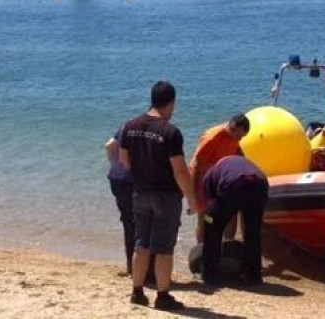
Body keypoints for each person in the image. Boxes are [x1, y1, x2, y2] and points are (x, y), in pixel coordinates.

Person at [118, 81, 198, 311]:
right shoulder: (170, 132)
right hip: (166, 196)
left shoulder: (129, 126)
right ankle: (162, 296)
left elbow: (124, 161)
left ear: (152, 99)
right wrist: (191, 199)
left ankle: (137, 291)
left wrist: (142, 174)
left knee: (141, 244)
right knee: (163, 247)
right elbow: (180, 171)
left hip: (140, 192)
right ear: (171, 102)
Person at [200, 155, 268, 285]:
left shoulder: (210, 175)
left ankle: (210, 274)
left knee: (211, 227)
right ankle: (253, 276)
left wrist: (211, 217)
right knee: (253, 232)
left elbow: (212, 205)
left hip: (234, 183)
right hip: (260, 182)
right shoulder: (234, 164)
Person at [189, 114, 250, 243]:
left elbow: (237, 151)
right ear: (233, 128)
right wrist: (195, 194)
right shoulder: (212, 137)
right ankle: (201, 251)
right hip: (203, 180)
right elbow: (196, 165)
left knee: (232, 213)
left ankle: (228, 247)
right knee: (205, 217)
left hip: (219, 179)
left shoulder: (233, 137)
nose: (239, 139)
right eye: (239, 136)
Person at [104, 134, 135, 275]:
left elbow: (109, 145)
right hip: (131, 181)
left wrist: (115, 164)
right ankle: (139, 267)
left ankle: (131, 266)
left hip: (115, 179)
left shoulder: (125, 127)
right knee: (141, 223)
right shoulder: (149, 128)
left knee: (128, 223)